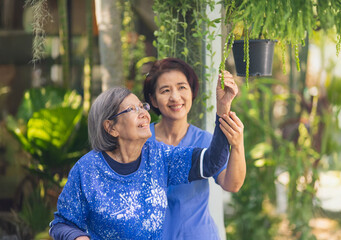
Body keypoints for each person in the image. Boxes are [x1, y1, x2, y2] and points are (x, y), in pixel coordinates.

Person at [49, 71, 241, 239]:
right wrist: (79, 238)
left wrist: (222, 108)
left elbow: (212, 162)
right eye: (132, 109)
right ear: (111, 127)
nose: (144, 113)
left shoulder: (159, 156)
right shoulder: (87, 170)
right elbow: (61, 223)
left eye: (143, 107)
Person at [143, 58, 246, 240]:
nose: (175, 97)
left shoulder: (205, 140)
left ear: (191, 92)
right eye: (165, 90)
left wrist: (237, 144)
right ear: (153, 100)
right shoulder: (141, 140)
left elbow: (232, 184)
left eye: (182, 87)